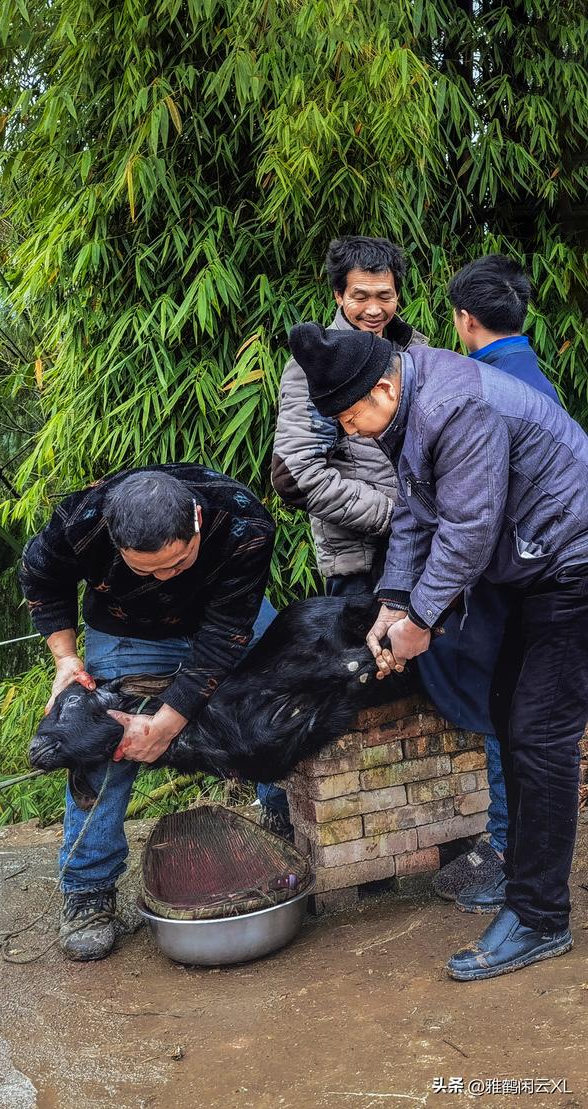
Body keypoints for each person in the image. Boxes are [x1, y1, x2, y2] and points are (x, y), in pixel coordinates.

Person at [289, 321, 588, 981]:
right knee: (510, 716)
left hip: (573, 561)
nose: (350, 431)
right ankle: (528, 883)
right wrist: (394, 601)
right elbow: (416, 514)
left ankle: (539, 916)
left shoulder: (454, 406)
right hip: (536, 569)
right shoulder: (410, 407)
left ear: (384, 385)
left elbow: (469, 528)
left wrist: (420, 620)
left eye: (349, 415)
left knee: (539, 734)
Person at [20, 465, 276, 961]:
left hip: (224, 617)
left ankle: (281, 818)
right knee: (102, 739)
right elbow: (40, 575)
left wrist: (167, 723)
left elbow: (224, 636)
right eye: (147, 568)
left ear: (197, 521)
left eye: (177, 562)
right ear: (116, 545)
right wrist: (66, 659)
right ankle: (88, 890)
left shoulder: (245, 522)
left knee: (267, 703)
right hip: (126, 629)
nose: (164, 577)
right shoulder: (82, 519)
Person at [262, 235, 427, 834]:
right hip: (360, 554)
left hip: (424, 553)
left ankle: (421, 817)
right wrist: (394, 514)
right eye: (361, 296)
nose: (374, 308)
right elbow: (301, 471)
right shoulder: (315, 365)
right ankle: (346, 828)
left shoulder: (415, 351)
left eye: (385, 295)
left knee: (424, 686)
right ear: (338, 294)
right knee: (355, 686)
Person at [426, 255, 562, 908]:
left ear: (464, 320)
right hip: (551, 576)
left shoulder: (478, 391)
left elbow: (472, 511)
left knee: (502, 717)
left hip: (512, 586)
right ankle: (517, 849)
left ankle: (509, 856)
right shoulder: (537, 380)